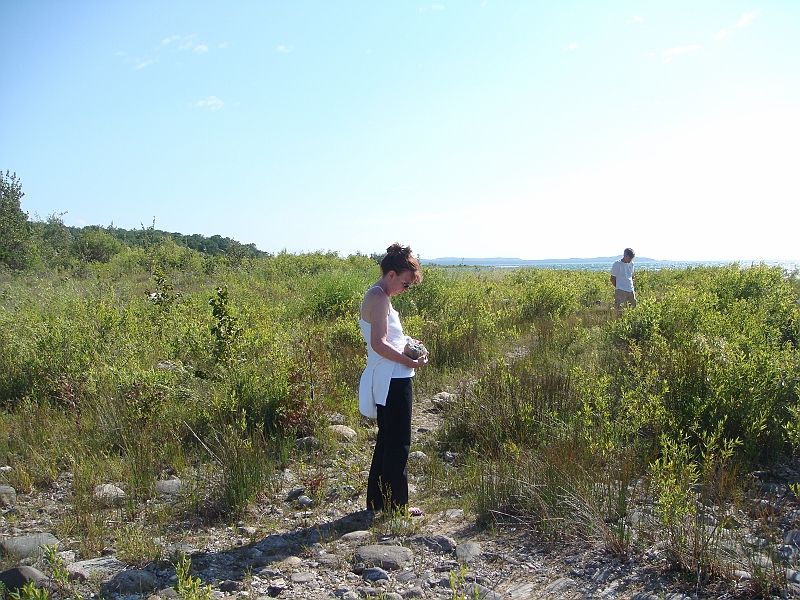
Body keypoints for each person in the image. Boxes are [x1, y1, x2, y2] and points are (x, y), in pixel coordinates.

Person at [359, 243, 428, 515]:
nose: (406, 289)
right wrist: (409, 360)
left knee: (387, 440)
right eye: (405, 283)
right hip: (392, 380)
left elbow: (389, 339)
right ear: (391, 274)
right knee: (398, 442)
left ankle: (378, 502)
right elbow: (378, 343)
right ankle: (397, 508)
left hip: (390, 377)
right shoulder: (378, 297)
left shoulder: (380, 296)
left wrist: (409, 343)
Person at [610, 247, 636, 316]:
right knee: (620, 311)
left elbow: (630, 276)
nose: (630, 260)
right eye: (629, 258)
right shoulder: (617, 264)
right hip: (621, 290)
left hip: (630, 290)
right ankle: (619, 326)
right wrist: (619, 287)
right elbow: (612, 278)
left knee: (633, 310)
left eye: (631, 258)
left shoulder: (631, 264)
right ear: (625, 255)